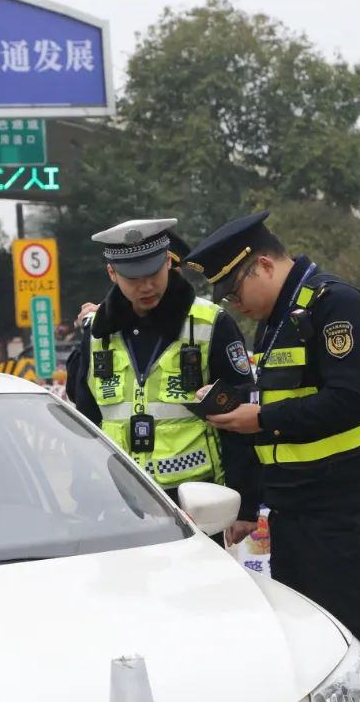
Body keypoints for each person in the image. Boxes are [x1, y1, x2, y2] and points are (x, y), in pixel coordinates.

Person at [183, 211, 360, 702]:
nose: (235, 305)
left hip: (345, 508)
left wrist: (260, 418)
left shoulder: (335, 305)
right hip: (294, 510)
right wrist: (232, 408)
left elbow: (348, 400)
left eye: (234, 291)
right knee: (314, 650)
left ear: (263, 265)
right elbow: (282, 404)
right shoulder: (276, 322)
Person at [67, 218, 260, 539]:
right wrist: (82, 499)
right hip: (118, 502)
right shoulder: (97, 331)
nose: (146, 286)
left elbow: (239, 417)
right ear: (112, 273)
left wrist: (246, 504)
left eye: (154, 273)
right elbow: (85, 422)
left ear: (169, 262)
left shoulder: (210, 323)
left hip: (194, 501)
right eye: (133, 277)